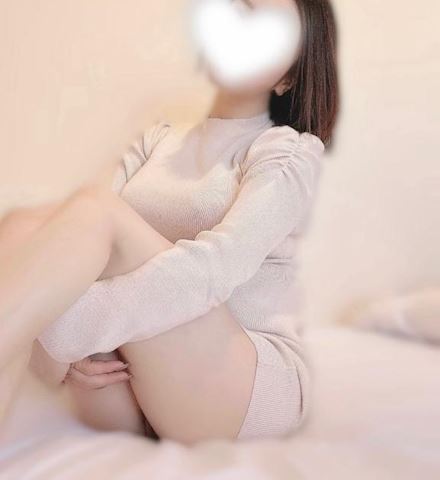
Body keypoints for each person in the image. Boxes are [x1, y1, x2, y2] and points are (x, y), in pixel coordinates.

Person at [0, 0, 339, 445]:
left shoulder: (287, 152)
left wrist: (62, 325)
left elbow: (215, 270)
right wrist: (64, 341)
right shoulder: (159, 139)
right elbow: (72, 241)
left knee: (96, 211)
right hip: (141, 375)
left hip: (243, 385)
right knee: (25, 226)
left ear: (288, 78)